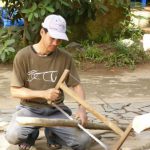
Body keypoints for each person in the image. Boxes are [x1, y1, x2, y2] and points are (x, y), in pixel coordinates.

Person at [5, 14, 91, 150]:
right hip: (29, 109)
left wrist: (82, 109)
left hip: (55, 110)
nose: (55, 43)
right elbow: (15, 91)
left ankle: (53, 134)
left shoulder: (65, 58)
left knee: (84, 141)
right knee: (12, 135)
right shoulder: (23, 56)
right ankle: (31, 134)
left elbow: (76, 85)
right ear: (42, 32)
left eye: (59, 40)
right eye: (52, 38)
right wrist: (44, 94)